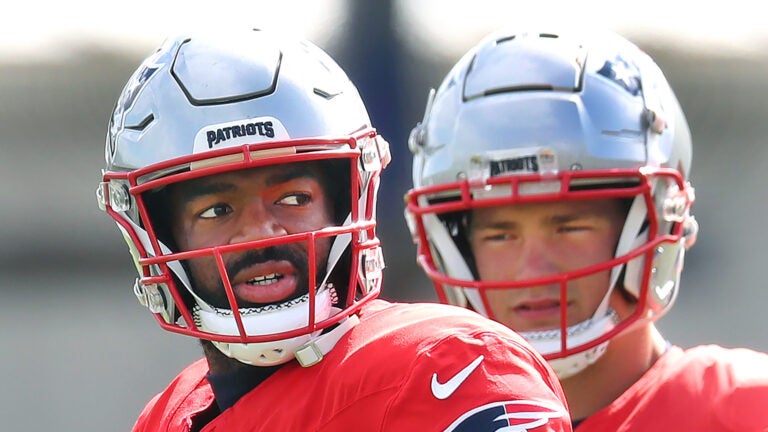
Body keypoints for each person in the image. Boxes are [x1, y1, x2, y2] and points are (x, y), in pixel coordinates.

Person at [96, 29, 572, 432]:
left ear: (346, 204)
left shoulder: (450, 365)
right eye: (217, 209)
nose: (260, 230)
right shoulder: (168, 415)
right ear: (159, 233)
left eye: (293, 199)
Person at [404, 27, 768, 431]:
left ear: (655, 224)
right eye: (500, 235)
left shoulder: (746, 409)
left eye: (570, 227)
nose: (533, 269)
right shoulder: (406, 417)